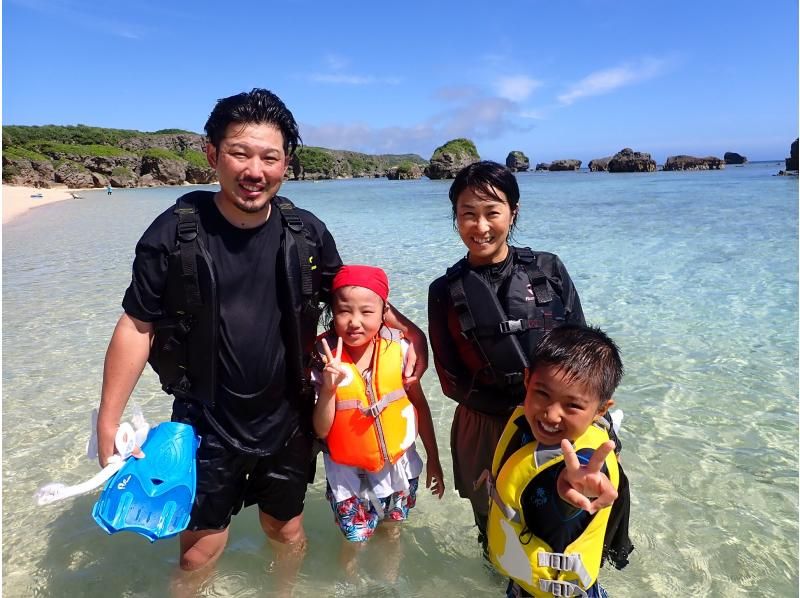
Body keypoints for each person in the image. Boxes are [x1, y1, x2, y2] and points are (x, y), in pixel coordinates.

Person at [97, 89, 428, 576]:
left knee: (286, 530)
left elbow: (350, 295)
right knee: (198, 550)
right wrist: (109, 419)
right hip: (205, 418)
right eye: (239, 153)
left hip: (289, 417)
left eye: (269, 157)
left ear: (286, 164)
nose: (255, 170)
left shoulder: (307, 233)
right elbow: (136, 323)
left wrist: (407, 330)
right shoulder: (171, 234)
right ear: (212, 155)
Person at [427, 160, 585, 551]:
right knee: (495, 528)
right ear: (456, 218)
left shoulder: (549, 269)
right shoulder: (444, 290)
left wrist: (572, 415)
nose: (480, 227)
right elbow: (449, 379)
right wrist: (516, 417)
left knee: (564, 524)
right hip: (485, 425)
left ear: (512, 213)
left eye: (492, 212)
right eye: (468, 214)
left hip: (554, 420)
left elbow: (582, 350)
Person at [312, 265, 444, 576]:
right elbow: (320, 428)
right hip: (347, 474)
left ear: (385, 312)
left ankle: (388, 582)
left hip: (397, 468)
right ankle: (350, 585)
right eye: (344, 311)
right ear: (332, 311)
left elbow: (419, 407)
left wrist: (435, 461)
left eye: (366, 312)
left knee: (392, 530)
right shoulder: (323, 359)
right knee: (354, 539)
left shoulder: (399, 350)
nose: (355, 322)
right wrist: (329, 389)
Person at [483, 324, 632, 597]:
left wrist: (578, 489)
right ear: (527, 380)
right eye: (542, 394)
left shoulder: (582, 464)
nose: (551, 415)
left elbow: (571, 490)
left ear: (601, 410)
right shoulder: (528, 430)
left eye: (572, 406)